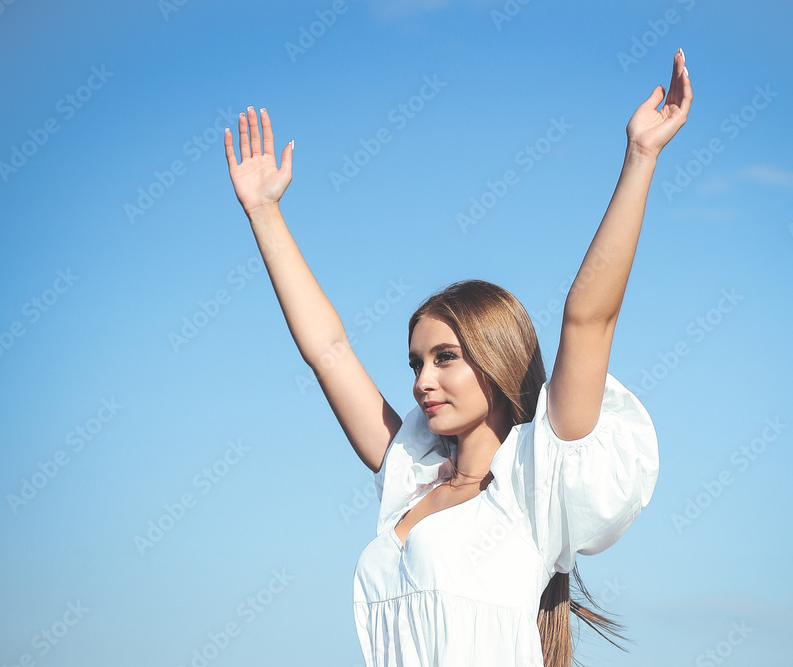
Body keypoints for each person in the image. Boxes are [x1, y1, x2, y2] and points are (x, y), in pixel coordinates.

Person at [225, 48, 692, 667]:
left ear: (496, 360)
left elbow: (588, 318)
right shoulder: (409, 475)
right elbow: (330, 353)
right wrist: (264, 213)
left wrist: (640, 158)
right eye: (416, 363)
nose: (423, 381)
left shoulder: (535, 476)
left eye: (445, 358)